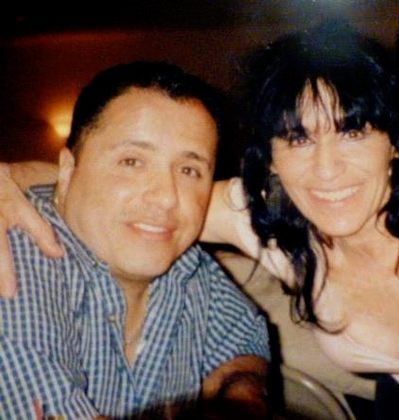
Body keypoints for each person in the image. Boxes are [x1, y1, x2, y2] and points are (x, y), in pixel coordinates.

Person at [1, 22, 399, 419]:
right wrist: (9, 177)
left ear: (394, 143)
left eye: (353, 132)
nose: (326, 169)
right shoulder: (262, 214)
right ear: (272, 158)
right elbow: (133, 195)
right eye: (297, 138)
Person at [0, 61, 270, 419]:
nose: (167, 197)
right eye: (132, 162)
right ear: (67, 170)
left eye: (189, 170)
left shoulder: (188, 266)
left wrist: (240, 392)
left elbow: (245, 339)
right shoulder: (14, 259)